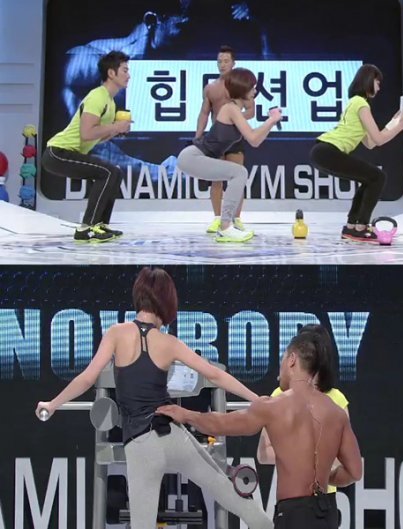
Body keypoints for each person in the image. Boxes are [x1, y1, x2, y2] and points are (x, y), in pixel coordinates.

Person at [35, 267, 273, 529]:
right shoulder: (168, 342)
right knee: (229, 493)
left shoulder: (116, 333)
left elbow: (87, 378)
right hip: (173, 436)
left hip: (141, 445)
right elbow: (215, 375)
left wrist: (52, 404)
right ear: (167, 301)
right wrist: (257, 399)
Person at [158, 331, 362, 529]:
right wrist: (326, 478)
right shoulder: (336, 413)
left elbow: (222, 424)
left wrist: (186, 415)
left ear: (292, 360)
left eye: (283, 359)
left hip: (294, 514)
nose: (280, 369)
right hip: (327, 513)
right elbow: (354, 472)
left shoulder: (275, 406)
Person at [310, 63, 403, 243]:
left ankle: (352, 226)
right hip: (328, 150)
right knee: (378, 177)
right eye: (377, 82)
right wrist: (401, 126)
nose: (379, 88)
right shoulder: (361, 103)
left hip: (322, 151)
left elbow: (370, 143)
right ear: (368, 80)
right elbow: (379, 139)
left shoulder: (354, 102)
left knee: (370, 178)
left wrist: (394, 123)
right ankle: (361, 226)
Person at [178, 67, 282, 242]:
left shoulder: (235, 111)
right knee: (239, 172)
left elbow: (255, 140)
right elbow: (253, 138)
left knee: (238, 172)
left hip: (197, 157)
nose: (255, 92)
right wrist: (271, 120)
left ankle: (226, 225)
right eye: (252, 88)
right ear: (243, 89)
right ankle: (225, 227)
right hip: (192, 157)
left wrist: (271, 122)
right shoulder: (230, 109)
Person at [42, 51, 132, 243]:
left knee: (114, 173)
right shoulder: (98, 96)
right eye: (125, 70)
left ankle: (100, 225)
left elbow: (95, 139)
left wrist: (116, 131)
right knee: (108, 172)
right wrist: (115, 126)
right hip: (58, 153)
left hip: (68, 152)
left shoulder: (110, 101)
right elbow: (87, 133)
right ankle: (86, 228)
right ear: (111, 73)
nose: (128, 75)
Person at [257, 324, 350, 502]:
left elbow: (344, 458)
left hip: (324, 499)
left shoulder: (337, 399)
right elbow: (263, 453)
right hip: (290, 497)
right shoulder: (279, 395)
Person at [195, 45, 255, 234]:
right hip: (216, 138)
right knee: (216, 180)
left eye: (226, 61)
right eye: (219, 61)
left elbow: (251, 110)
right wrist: (198, 135)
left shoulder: (241, 87)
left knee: (237, 178)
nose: (222, 64)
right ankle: (217, 218)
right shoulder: (211, 88)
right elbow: (204, 113)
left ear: (233, 63)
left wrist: (236, 119)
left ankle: (236, 219)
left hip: (235, 137)